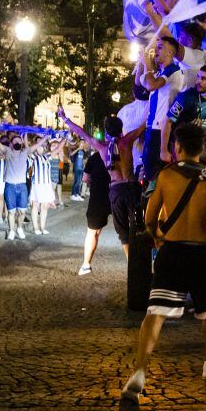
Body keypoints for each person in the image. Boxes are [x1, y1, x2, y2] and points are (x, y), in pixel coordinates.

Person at [121, 123, 206, 402]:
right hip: (203, 250)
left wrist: (159, 238)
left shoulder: (166, 175)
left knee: (155, 313)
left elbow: (149, 218)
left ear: (177, 147)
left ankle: (140, 371)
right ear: (202, 148)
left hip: (172, 251)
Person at [58, 107, 144, 273]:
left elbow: (83, 133)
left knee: (123, 232)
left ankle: (131, 267)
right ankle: (141, 264)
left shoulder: (102, 147)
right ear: (121, 129)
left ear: (106, 131)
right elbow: (144, 125)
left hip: (117, 190)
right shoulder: (127, 141)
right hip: (132, 188)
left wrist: (66, 119)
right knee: (137, 227)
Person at [163, 65, 206, 164]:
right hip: (182, 144)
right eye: (198, 77)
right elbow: (168, 122)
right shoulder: (185, 97)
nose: (198, 81)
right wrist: (163, 151)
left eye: (203, 78)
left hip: (203, 146)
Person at [140, 36, 185, 181]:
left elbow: (151, 85)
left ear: (170, 53)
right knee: (149, 170)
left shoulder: (172, 70)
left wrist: (147, 62)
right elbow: (139, 82)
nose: (155, 50)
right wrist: (142, 62)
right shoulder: (160, 72)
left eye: (160, 47)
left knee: (156, 173)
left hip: (160, 129)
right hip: (152, 127)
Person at [0, 128, 35, 240]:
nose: (18, 143)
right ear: (11, 144)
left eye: (20, 141)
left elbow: (37, 145)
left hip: (22, 186)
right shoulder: (7, 150)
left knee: (22, 212)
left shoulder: (25, 152)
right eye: (15, 141)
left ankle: (19, 228)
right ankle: (11, 231)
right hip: (9, 186)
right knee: (11, 212)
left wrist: (46, 136)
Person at [28, 137, 55, 235]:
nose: (41, 145)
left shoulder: (46, 156)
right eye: (38, 143)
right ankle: (36, 228)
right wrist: (25, 135)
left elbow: (57, 149)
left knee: (44, 206)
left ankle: (43, 227)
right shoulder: (33, 156)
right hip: (37, 185)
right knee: (35, 206)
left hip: (46, 185)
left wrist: (64, 139)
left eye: (43, 143)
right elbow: (27, 147)